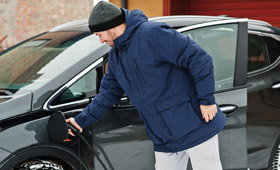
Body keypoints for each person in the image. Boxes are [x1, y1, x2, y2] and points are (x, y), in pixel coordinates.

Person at [66, 1, 227, 170]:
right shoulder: (116, 57)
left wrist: (207, 100)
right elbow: (107, 95)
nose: (100, 41)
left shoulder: (153, 35)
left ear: (111, 26)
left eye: (99, 34)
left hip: (194, 126)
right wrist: (80, 122)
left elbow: (199, 59)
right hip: (163, 138)